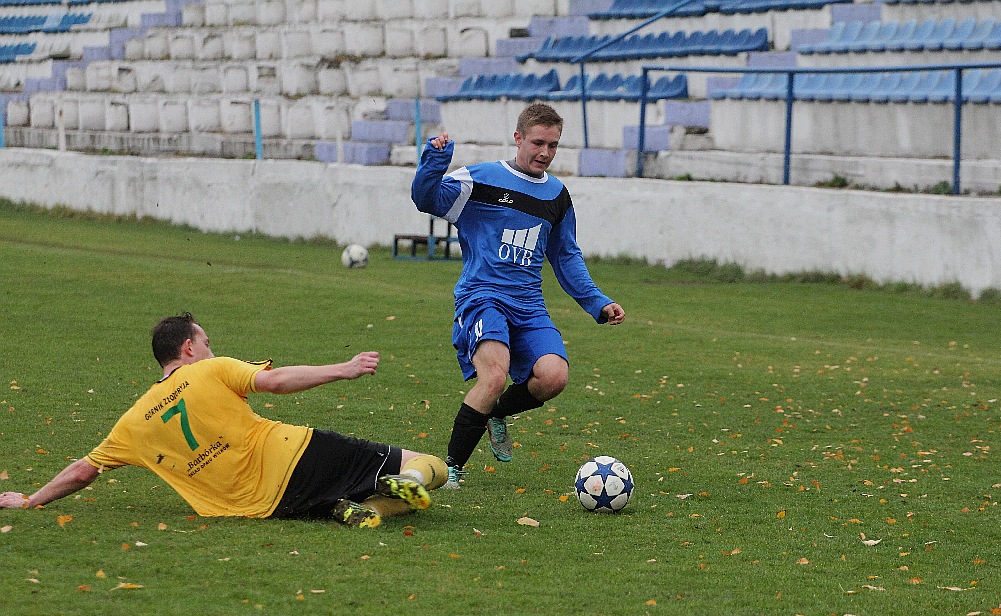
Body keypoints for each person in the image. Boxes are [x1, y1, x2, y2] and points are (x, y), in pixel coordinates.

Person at [0, 313, 449, 528]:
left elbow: (83, 471)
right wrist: (344, 368)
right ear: (189, 349)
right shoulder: (209, 370)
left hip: (253, 508)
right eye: (207, 342)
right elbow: (273, 382)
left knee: (389, 503)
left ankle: (345, 508)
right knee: (434, 472)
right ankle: (399, 479)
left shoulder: (133, 423)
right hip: (293, 456)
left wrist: (31, 500)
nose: (211, 349)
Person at [411, 102, 626, 489]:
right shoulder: (482, 179)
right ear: (518, 138)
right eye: (538, 143)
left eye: (553, 145)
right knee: (494, 374)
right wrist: (435, 159)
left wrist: (598, 302)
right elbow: (427, 199)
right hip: (483, 296)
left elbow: (566, 256)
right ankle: (452, 469)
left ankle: (496, 413)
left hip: (528, 305)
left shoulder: (558, 195)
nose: (545, 153)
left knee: (554, 377)